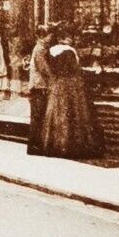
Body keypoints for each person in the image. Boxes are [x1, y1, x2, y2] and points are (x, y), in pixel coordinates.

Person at [38, 26, 95, 159]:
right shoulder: (70, 52)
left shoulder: (49, 51)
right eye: (69, 37)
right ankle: (71, 146)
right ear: (63, 38)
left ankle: (55, 144)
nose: (71, 40)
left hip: (57, 84)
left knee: (57, 113)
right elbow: (75, 68)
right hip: (71, 85)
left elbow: (48, 69)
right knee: (74, 112)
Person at [26, 30, 53, 156]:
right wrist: (53, 78)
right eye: (49, 36)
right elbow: (43, 68)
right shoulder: (40, 49)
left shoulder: (39, 48)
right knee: (38, 117)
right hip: (39, 86)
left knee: (37, 117)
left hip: (37, 85)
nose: (50, 38)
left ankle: (35, 146)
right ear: (43, 36)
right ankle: (35, 146)